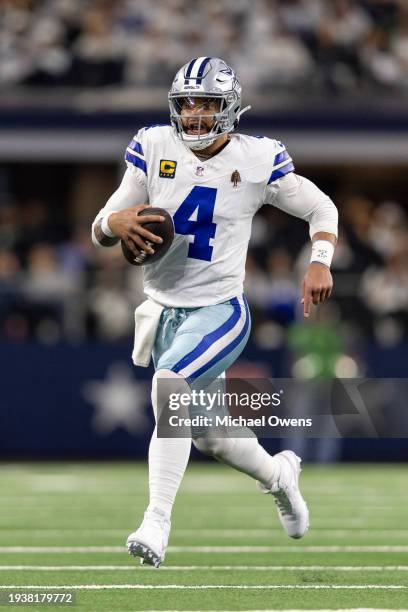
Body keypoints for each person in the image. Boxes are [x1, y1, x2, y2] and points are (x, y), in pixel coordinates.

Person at [91, 57, 338, 568]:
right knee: (209, 435)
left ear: (230, 109)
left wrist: (319, 261)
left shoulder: (259, 158)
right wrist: (113, 222)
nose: (196, 115)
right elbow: (104, 225)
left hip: (221, 310)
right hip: (163, 313)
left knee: (171, 387)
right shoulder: (153, 145)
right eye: (187, 104)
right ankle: (279, 476)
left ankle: (156, 521)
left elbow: (321, 208)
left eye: (207, 104)